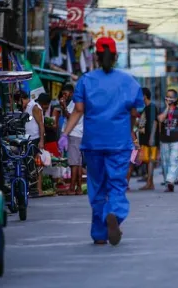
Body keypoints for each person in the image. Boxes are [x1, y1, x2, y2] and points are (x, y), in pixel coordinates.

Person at [58, 37, 144, 246]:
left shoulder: (86, 80)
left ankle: (99, 234)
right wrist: (131, 130)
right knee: (116, 185)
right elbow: (135, 112)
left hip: (93, 143)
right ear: (115, 57)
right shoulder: (129, 82)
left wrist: (65, 134)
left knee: (97, 187)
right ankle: (113, 212)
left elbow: (78, 111)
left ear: (96, 56)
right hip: (118, 143)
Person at [158, 89, 178, 192]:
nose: (168, 98)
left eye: (170, 97)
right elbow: (160, 119)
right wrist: (167, 108)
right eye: (167, 96)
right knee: (165, 162)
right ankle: (168, 182)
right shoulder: (162, 109)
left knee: (174, 160)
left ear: (175, 99)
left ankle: (170, 181)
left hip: (176, 140)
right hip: (164, 140)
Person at [59, 83, 84, 196]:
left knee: (74, 163)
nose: (64, 95)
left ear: (71, 93)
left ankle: (72, 188)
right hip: (77, 134)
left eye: (66, 93)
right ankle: (78, 188)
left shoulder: (74, 103)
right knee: (77, 163)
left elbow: (70, 117)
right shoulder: (73, 103)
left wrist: (63, 106)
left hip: (74, 134)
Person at [25, 93, 50, 196]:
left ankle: (38, 189)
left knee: (37, 164)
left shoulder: (35, 107)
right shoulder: (32, 106)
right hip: (31, 139)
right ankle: (35, 189)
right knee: (32, 165)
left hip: (34, 139)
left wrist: (41, 141)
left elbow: (41, 124)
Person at [137, 88, 159, 191]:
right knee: (147, 161)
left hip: (150, 139)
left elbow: (155, 122)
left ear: (144, 96)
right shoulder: (146, 108)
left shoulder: (152, 107)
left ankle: (149, 183)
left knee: (150, 160)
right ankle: (150, 183)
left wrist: (152, 137)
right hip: (146, 139)